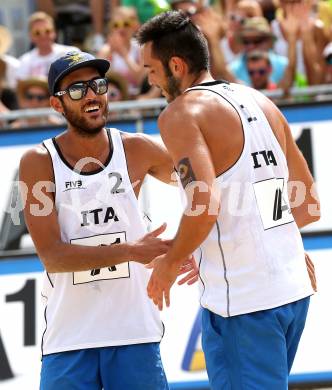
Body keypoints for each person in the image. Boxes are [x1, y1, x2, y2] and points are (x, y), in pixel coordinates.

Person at [136, 10, 320, 390]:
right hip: (292, 291)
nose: (150, 80)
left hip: (245, 303)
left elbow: (204, 203)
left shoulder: (180, 113)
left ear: (175, 64)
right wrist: (209, 241)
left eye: (151, 69)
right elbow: (305, 204)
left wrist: (170, 263)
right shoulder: (260, 102)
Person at [19, 50, 197, 390]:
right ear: (57, 105)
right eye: (77, 89)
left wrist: (197, 244)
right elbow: (53, 257)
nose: (91, 94)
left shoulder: (137, 149)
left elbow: (204, 188)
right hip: (69, 338)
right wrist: (131, 250)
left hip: (133, 332)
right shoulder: (38, 162)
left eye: (97, 84)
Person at [18, 12, 78, 80]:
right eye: (37, 33)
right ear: (31, 36)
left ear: (54, 32)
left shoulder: (70, 53)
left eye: (47, 31)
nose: (43, 36)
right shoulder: (24, 60)